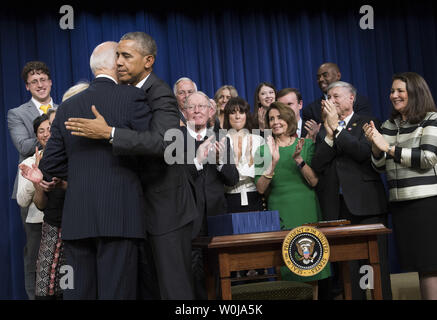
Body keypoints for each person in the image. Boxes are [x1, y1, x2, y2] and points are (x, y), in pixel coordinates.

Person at [64, 32, 198, 300]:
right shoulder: (123, 93)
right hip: (135, 211)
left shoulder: (160, 93)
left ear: (148, 61)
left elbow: (165, 144)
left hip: (166, 210)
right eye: (117, 56)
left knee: (174, 290)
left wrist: (110, 133)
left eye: (126, 56)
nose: (119, 62)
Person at [37, 41, 152, 299]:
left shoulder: (66, 106)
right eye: (121, 57)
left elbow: (51, 164)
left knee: (79, 294)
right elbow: (149, 150)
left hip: (78, 219)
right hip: (120, 216)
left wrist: (80, 171)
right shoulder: (132, 96)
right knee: (117, 293)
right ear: (116, 64)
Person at [311, 81, 391, 300]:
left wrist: (337, 129)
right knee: (349, 270)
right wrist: (328, 136)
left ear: (351, 98)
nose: (331, 100)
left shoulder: (367, 122)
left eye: (336, 96)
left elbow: (363, 153)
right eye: (329, 97)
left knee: (374, 267)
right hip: (338, 209)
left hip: (366, 206)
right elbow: (318, 165)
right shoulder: (323, 129)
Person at [363, 72, 437, 300]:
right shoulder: (389, 124)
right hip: (400, 203)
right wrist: (376, 148)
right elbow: (379, 167)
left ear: (414, 92)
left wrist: (388, 148)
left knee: (430, 265)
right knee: (417, 265)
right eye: (392, 91)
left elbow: (428, 158)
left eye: (399, 91)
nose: (393, 95)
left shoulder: (431, 119)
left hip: (426, 202)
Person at [254, 102, 330, 286]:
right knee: (287, 267)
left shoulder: (304, 145)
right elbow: (261, 188)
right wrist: (272, 163)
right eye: (271, 118)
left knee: (312, 265)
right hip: (280, 211)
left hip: (306, 210)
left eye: (279, 117)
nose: (275, 122)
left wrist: (298, 159)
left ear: (289, 119)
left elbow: (314, 181)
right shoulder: (263, 150)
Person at [7, 61, 57, 299]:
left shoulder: (64, 107)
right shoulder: (17, 114)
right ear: (27, 87)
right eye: (34, 82)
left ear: (50, 82)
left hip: (63, 190)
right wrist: (52, 134)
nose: (40, 85)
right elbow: (24, 145)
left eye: (43, 79)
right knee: (35, 253)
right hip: (30, 189)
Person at [182, 91, 239, 299]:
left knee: (219, 273)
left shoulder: (222, 138)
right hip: (188, 219)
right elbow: (175, 181)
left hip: (216, 219)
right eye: (191, 107)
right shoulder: (175, 139)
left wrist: (219, 161)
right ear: (184, 112)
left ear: (210, 111)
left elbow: (233, 179)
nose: (197, 110)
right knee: (192, 275)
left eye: (201, 106)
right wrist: (197, 161)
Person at [222, 96, 264, 213]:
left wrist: (236, 170)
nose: (237, 116)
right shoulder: (221, 140)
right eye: (233, 112)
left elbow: (259, 173)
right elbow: (225, 176)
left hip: (254, 196)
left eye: (241, 112)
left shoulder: (258, 140)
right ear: (227, 116)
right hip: (229, 198)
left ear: (246, 115)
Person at [302, 62, 373, 127]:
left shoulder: (360, 102)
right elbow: (307, 140)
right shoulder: (310, 110)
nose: (321, 79)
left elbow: (363, 129)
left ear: (338, 76)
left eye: (325, 75)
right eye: (318, 77)